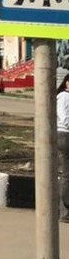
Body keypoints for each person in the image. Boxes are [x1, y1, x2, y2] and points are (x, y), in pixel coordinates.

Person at [57, 69, 69, 223]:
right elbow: (64, 118)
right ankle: (65, 212)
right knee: (67, 174)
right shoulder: (63, 97)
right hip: (65, 135)